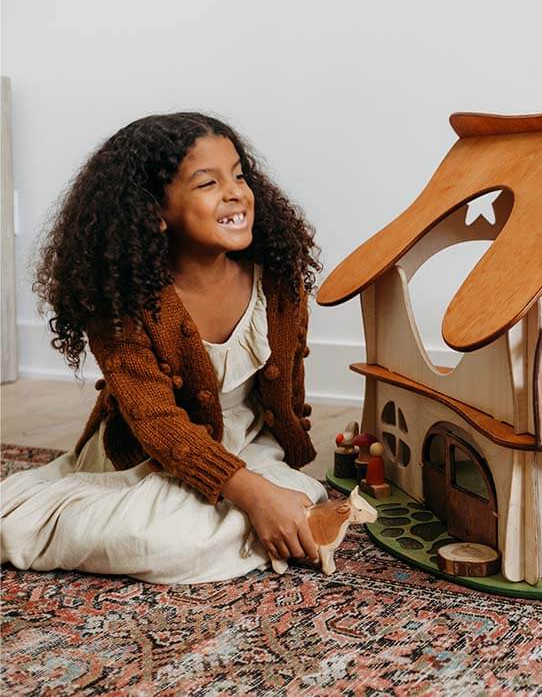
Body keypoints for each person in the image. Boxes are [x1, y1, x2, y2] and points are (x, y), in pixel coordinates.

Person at [1, 113, 330, 583]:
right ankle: (36, 520)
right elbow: (159, 425)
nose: (235, 192)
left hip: (246, 442)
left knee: (301, 496)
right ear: (154, 211)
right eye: (208, 183)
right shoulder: (123, 301)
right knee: (161, 541)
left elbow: (284, 398)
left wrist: (262, 485)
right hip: (151, 455)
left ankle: (256, 516)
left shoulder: (277, 280)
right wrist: (254, 495)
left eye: (239, 175)